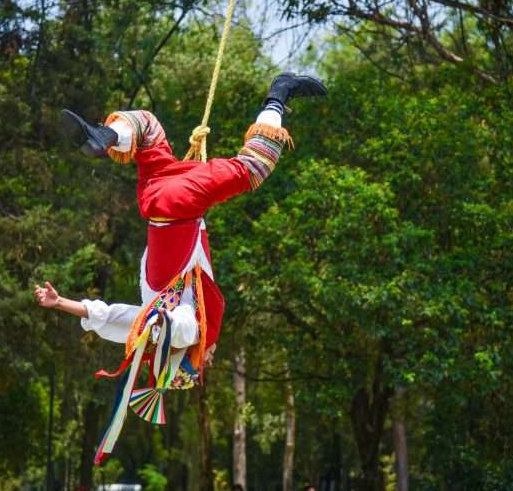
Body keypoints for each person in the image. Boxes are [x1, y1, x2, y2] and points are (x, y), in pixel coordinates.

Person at [34, 73, 327, 464]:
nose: (208, 359)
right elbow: (105, 315)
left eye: (202, 361)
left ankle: (280, 93)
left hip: (176, 205)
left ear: (184, 354)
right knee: (148, 127)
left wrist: (171, 343)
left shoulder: (177, 325)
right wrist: (60, 304)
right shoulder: (158, 319)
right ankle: (105, 136)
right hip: (156, 193)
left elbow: (161, 325)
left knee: (254, 168)